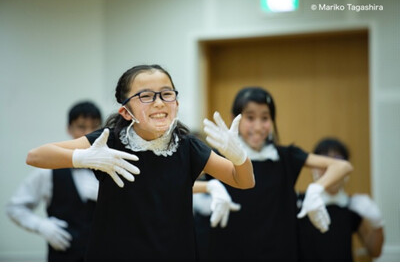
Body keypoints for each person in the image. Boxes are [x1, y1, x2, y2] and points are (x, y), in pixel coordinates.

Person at [25, 64, 255, 262]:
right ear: (126, 111)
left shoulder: (187, 146)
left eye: (166, 94)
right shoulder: (110, 140)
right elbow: (35, 156)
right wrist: (81, 157)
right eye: (146, 96)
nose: (159, 102)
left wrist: (239, 157)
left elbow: (243, 181)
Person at [204, 87, 353, 261]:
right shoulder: (220, 157)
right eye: (250, 118)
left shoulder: (285, 156)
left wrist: (316, 189)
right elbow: (182, 181)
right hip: (230, 255)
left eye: (265, 118)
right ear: (234, 118)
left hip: (279, 256)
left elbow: (342, 166)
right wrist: (208, 186)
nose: (258, 127)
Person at [6, 101, 102, 262]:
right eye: (81, 127)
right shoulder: (49, 171)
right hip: (63, 260)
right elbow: (15, 207)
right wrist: (41, 226)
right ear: (69, 128)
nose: (88, 133)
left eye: (94, 127)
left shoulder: (111, 167)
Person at [297, 137, 384, 261]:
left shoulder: (353, 206)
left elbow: (375, 251)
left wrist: (377, 224)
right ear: (313, 167)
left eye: (337, 161)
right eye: (324, 162)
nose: (330, 168)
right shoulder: (299, 203)